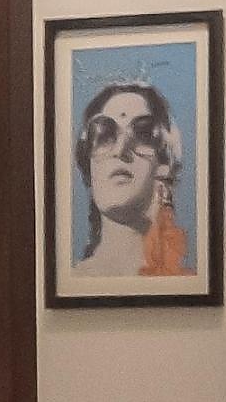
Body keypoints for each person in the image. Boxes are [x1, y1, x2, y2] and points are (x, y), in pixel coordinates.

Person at [73, 77, 192, 279]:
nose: (121, 150)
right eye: (103, 135)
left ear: (164, 163)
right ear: (88, 168)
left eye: (143, 133)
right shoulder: (75, 281)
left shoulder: (186, 282)